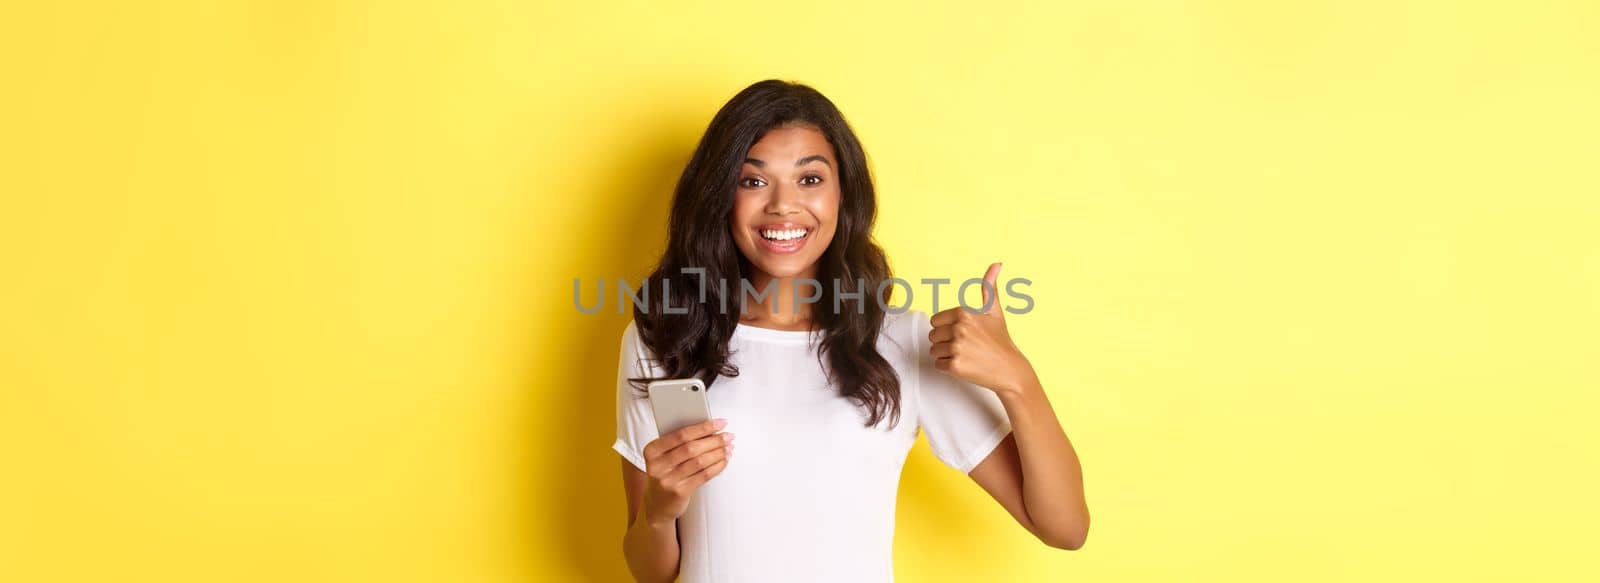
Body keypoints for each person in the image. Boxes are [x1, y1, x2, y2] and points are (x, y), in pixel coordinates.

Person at [612, 79, 1089, 582]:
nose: (782, 205)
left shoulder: (904, 341)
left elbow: (1064, 527)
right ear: (719, 197)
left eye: (810, 179)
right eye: (753, 181)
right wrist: (659, 513)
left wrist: (1018, 379)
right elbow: (651, 574)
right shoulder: (664, 338)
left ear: (844, 194)